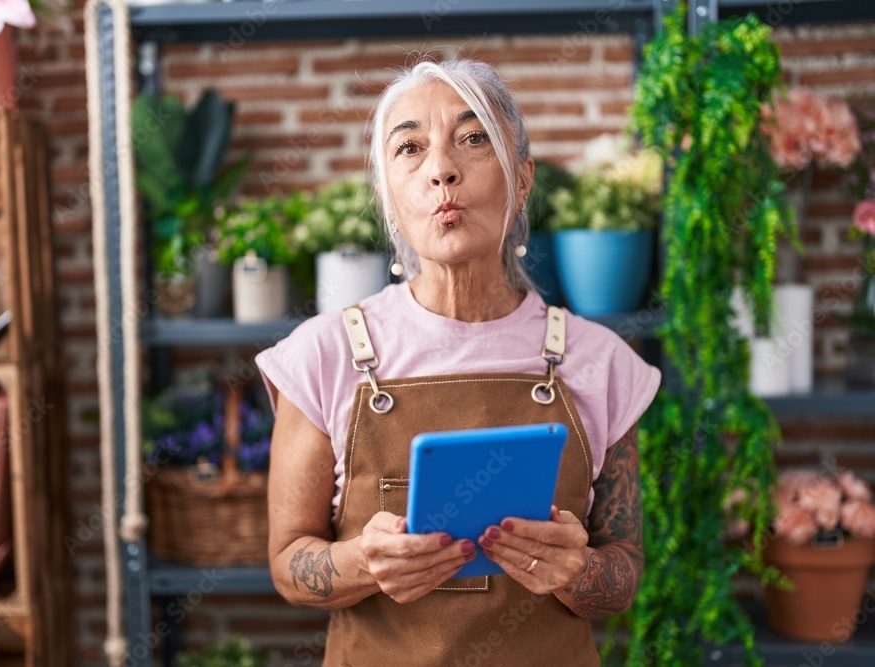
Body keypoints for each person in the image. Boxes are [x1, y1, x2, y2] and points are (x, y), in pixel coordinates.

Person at [254, 59, 662, 666]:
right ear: (389, 198)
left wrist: (578, 571)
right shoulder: (324, 356)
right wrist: (362, 560)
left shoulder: (601, 363)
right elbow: (290, 566)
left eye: (473, 140)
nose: (440, 169)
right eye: (410, 148)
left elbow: (623, 573)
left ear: (522, 181)